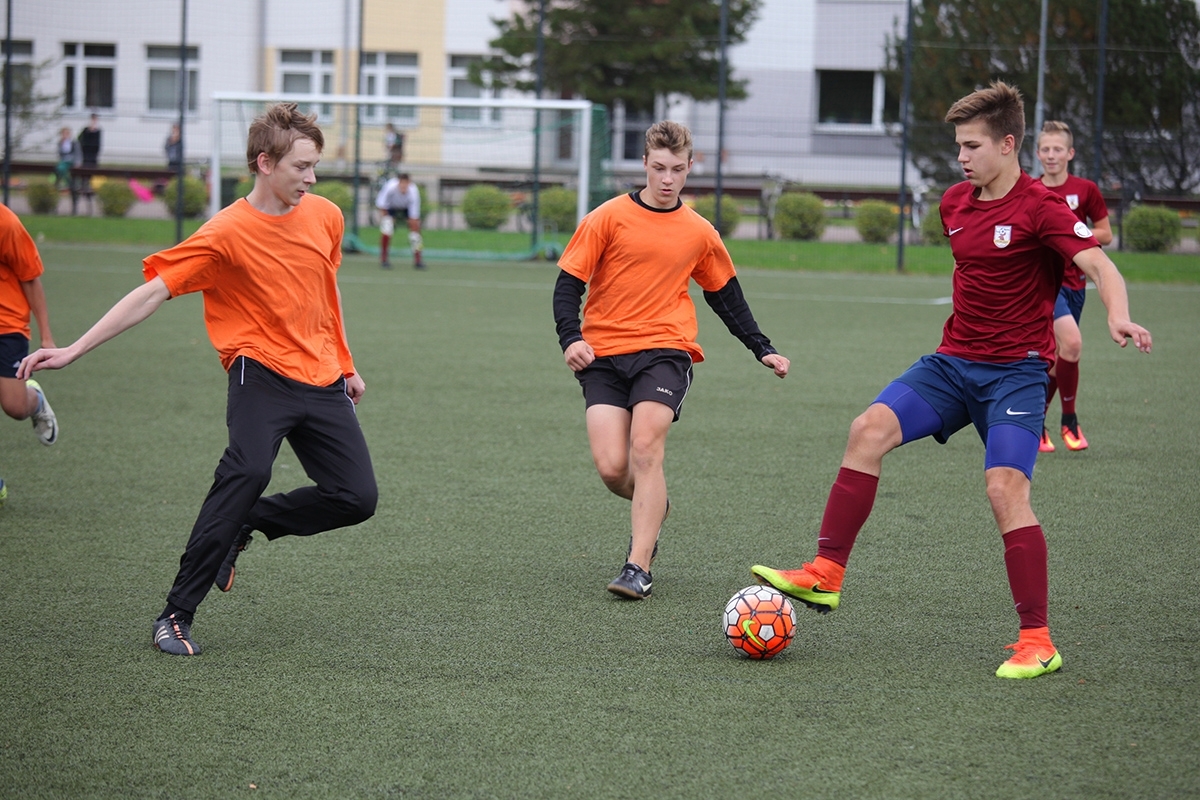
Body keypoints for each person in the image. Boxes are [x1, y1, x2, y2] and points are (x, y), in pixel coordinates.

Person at [750, 82, 1151, 679]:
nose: (961, 157)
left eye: (972, 145)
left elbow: (1100, 264)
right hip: (951, 364)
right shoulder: (955, 204)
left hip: (1015, 375)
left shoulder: (1043, 208)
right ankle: (826, 573)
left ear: (1008, 143)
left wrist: (1116, 314)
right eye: (957, 146)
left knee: (1004, 489)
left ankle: (1038, 640)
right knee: (867, 430)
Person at [19, 103, 378, 656]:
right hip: (258, 372)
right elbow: (151, 293)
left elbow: (325, 297)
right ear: (264, 162)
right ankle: (175, 615)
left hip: (324, 377)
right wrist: (73, 349)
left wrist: (347, 364)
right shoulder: (227, 232)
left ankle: (247, 522)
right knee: (248, 469)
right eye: (301, 167)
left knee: (356, 497)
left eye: (314, 168)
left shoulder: (325, 216)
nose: (311, 179)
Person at [555, 120, 790, 600]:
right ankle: (653, 503)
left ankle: (637, 567)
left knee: (645, 448)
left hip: (665, 350)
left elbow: (725, 295)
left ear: (689, 168)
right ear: (644, 163)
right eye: (658, 168)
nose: (667, 179)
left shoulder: (699, 232)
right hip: (602, 355)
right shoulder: (606, 217)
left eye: (677, 170)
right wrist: (570, 338)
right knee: (612, 467)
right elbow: (568, 284)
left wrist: (762, 347)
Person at [1035, 120, 1112, 453]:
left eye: (1057, 149)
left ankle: (1036, 421)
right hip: (1044, 285)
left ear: (1070, 153)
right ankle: (1069, 420)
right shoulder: (1031, 190)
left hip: (1075, 285)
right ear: (1037, 154)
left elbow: (1106, 233)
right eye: (1045, 150)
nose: (1051, 156)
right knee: (1073, 343)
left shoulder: (1085, 190)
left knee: (1056, 359)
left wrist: (1073, 232)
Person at [0, 203, 58, 452]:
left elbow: (30, 279)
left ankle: (35, 400)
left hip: (8, 325)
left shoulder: (6, 223)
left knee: (15, 408)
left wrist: (46, 337)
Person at [375, 171, 423, 269]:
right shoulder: (390, 187)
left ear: (409, 183)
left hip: (406, 208)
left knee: (415, 233)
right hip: (390, 207)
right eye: (402, 184)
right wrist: (388, 220)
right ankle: (384, 259)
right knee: (387, 230)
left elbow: (414, 216)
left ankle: (418, 260)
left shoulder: (413, 192)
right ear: (398, 182)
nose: (403, 187)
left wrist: (413, 225)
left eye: (406, 184)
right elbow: (381, 205)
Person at [54, 127, 82, 193]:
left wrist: (78, 162)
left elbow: (78, 153)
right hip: (64, 161)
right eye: (64, 133)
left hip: (73, 160)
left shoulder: (74, 142)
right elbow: (60, 154)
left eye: (67, 133)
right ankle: (69, 183)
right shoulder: (60, 143)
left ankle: (75, 184)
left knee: (75, 171)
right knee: (60, 168)